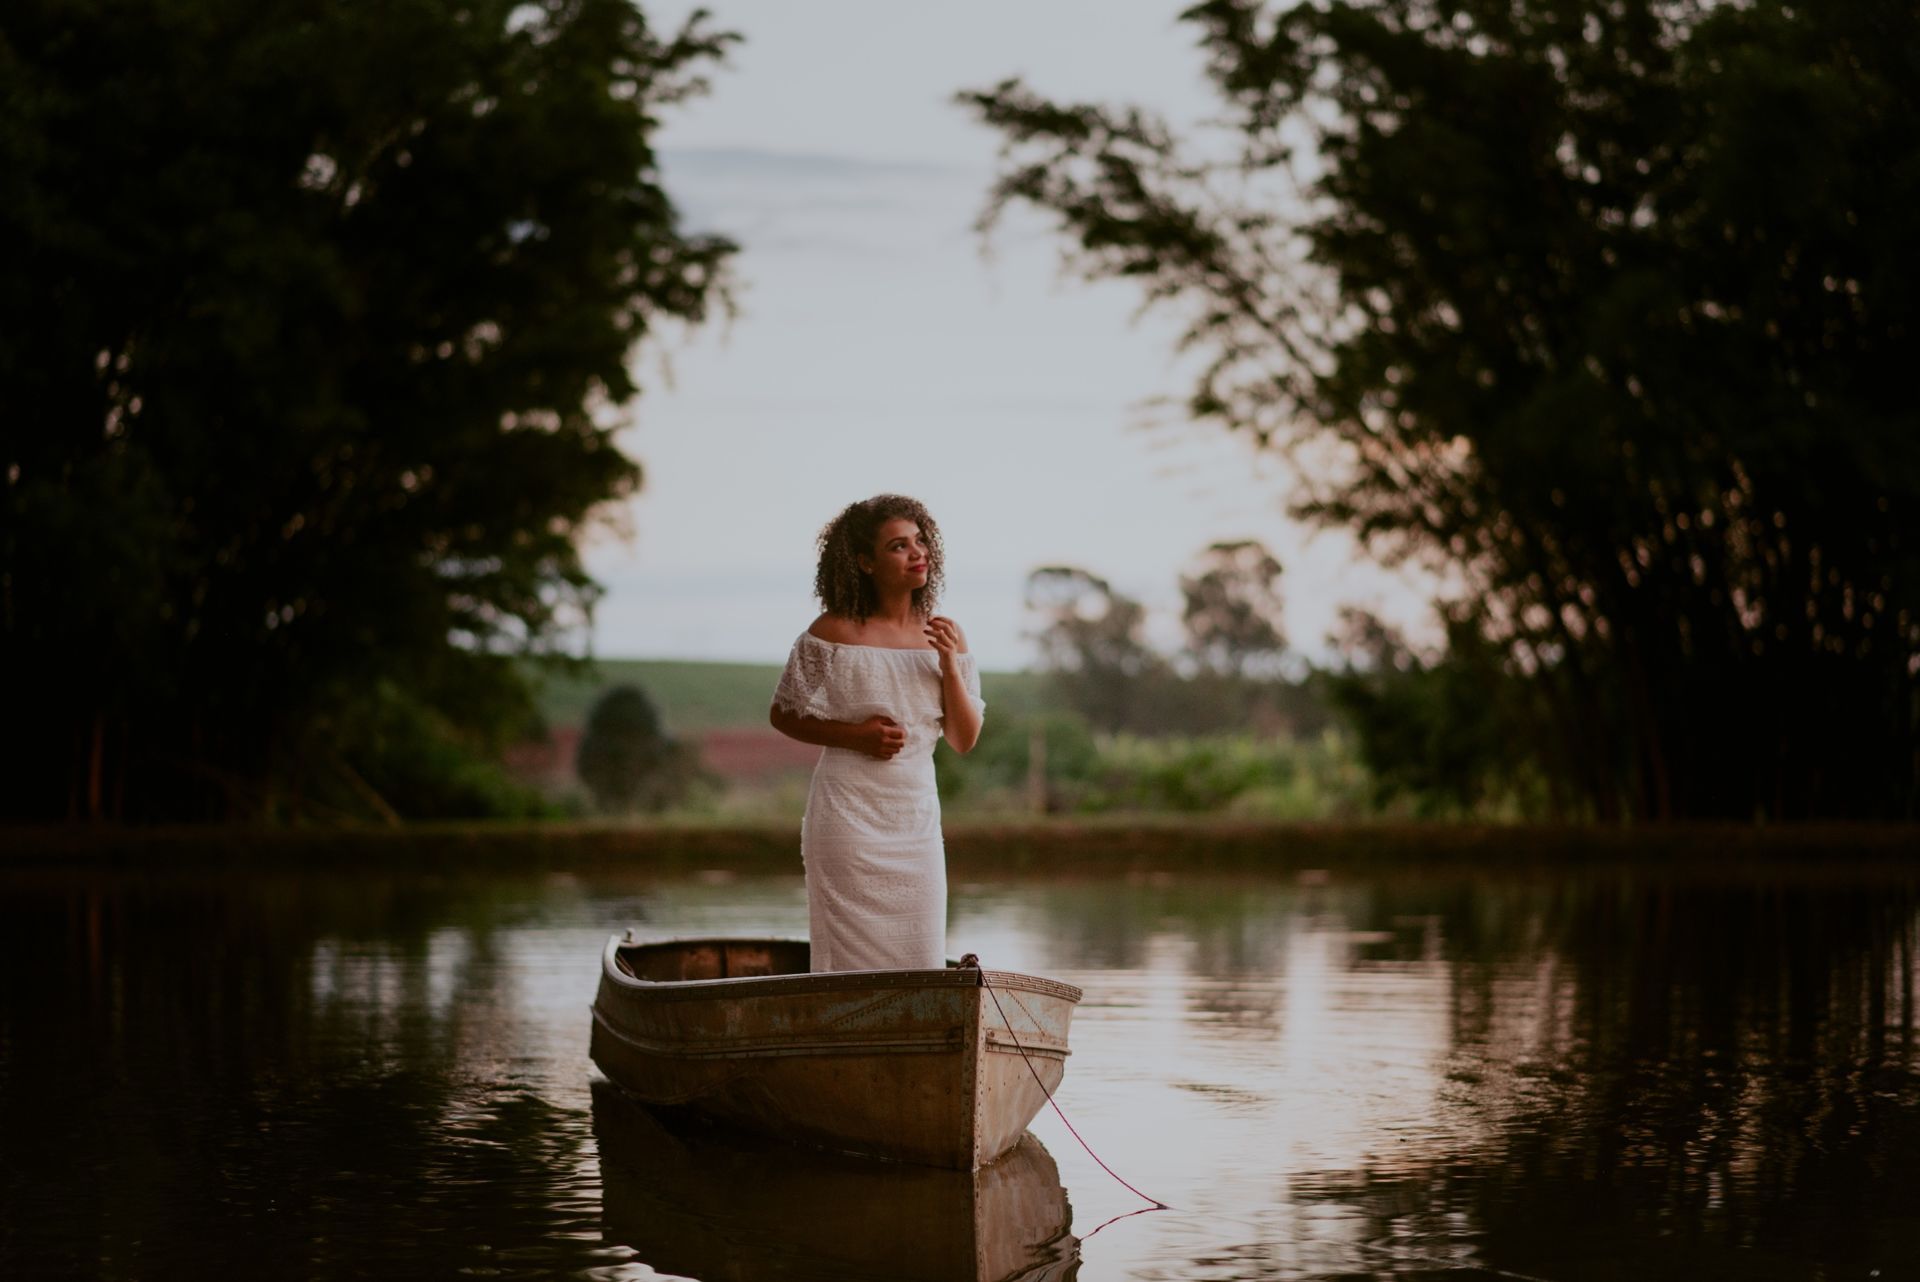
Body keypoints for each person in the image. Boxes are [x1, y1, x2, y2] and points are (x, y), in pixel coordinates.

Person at [768, 494, 985, 973]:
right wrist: (855, 736)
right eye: (898, 546)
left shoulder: (947, 634)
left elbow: (964, 739)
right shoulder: (832, 632)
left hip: (915, 821)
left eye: (920, 541)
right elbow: (783, 714)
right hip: (847, 820)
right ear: (865, 562)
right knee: (847, 963)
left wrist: (949, 664)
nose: (917, 552)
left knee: (922, 958)